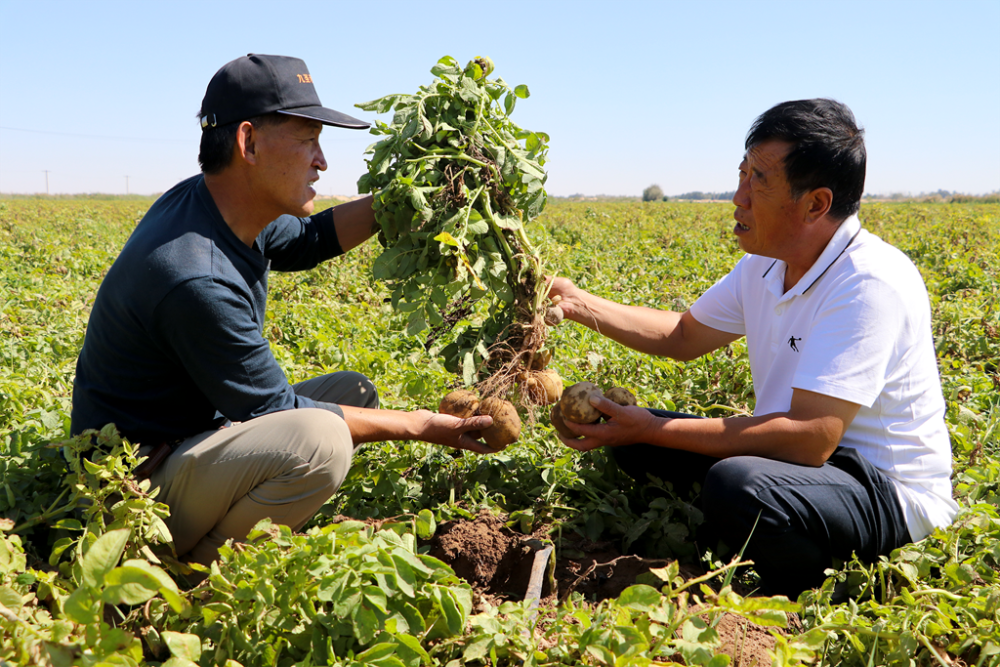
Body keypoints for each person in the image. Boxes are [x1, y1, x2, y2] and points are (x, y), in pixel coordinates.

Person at [70, 54, 496, 568]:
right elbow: (276, 411)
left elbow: (310, 240)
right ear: (249, 142)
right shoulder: (194, 277)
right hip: (131, 490)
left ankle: (233, 522)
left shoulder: (217, 203)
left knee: (352, 393)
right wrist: (424, 425)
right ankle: (191, 570)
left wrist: (409, 198)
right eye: (307, 140)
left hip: (194, 432)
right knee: (321, 441)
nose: (321, 161)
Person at [549, 99, 958, 598]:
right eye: (742, 174)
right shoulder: (764, 264)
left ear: (816, 204)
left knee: (735, 484)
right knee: (637, 440)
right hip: (798, 467)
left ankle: (825, 588)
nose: (738, 197)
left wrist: (659, 425)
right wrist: (577, 303)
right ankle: (749, 526)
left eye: (758, 181)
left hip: (882, 489)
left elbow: (812, 437)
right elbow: (682, 335)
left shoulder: (870, 281)